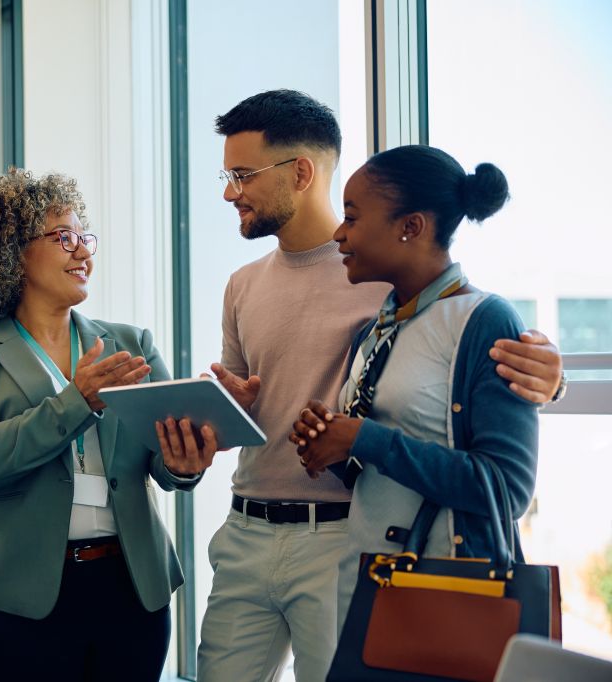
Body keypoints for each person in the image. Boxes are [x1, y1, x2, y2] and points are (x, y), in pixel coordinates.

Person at [156, 90, 564, 682]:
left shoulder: (388, 281)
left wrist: (554, 378)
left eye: (242, 174)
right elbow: (260, 416)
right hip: (246, 530)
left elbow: (477, 350)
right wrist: (209, 430)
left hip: (344, 538)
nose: (229, 192)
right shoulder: (247, 286)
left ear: (300, 172)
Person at [0, 168, 212, 681]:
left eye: (87, 238)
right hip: (21, 597)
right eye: (65, 238)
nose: (84, 252)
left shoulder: (132, 343)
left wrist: (185, 462)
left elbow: (165, 461)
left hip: (132, 588)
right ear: (11, 252)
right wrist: (75, 402)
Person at [289, 145, 539, 635]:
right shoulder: (377, 329)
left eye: (353, 217)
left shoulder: (485, 320)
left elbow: (506, 490)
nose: (339, 234)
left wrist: (363, 438)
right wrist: (331, 444)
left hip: (445, 591)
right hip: (365, 585)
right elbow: (377, 471)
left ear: (412, 226)